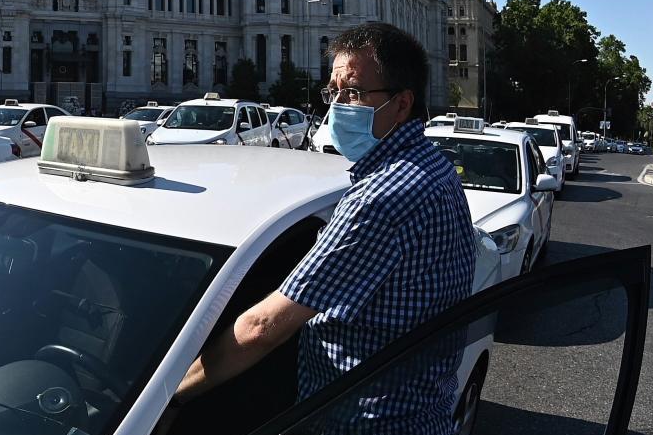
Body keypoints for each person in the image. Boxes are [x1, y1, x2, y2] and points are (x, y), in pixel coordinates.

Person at [173, 23, 475, 433]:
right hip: (423, 411)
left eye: (352, 92)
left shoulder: (382, 198)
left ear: (402, 104)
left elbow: (263, 328)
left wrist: (170, 395)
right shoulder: (434, 166)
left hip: (364, 423)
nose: (338, 106)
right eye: (333, 91)